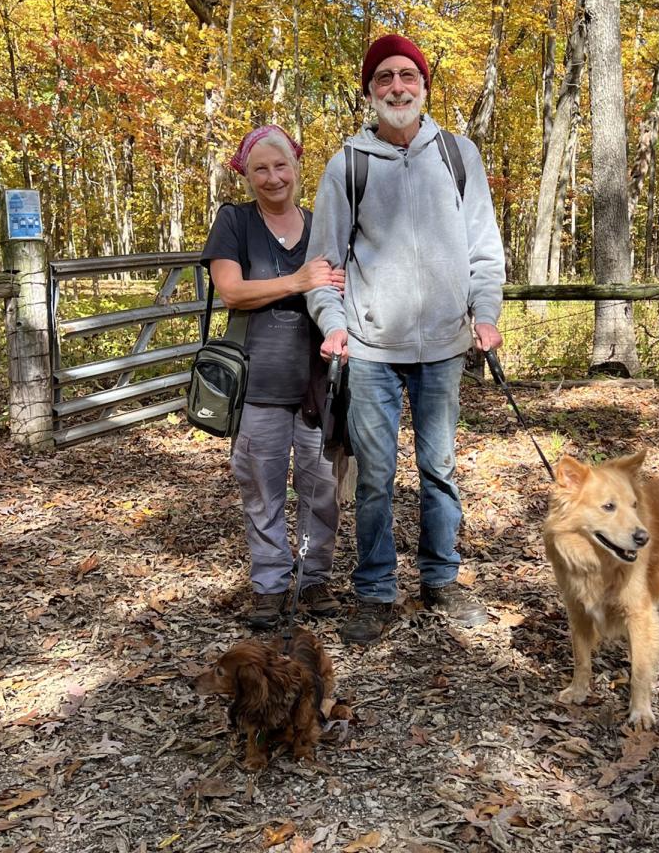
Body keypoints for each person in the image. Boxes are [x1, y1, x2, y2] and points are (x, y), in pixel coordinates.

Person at [306, 34, 505, 645]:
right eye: (384, 78)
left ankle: (440, 582)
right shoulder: (348, 164)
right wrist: (334, 324)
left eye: (407, 77)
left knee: (439, 469)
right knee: (373, 476)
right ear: (369, 92)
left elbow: (483, 249)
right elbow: (324, 263)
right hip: (370, 350)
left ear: (423, 86)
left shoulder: (457, 154)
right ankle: (375, 592)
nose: (397, 87)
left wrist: (486, 311)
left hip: (445, 347)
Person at [202, 124, 346, 630]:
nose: (272, 177)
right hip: (256, 381)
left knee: (321, 487)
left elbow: (342, 283)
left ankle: (314, 578)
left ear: (297, 168)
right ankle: (270, 584)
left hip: (317, 381)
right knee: (262, 488)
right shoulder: (235, 222)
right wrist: (299, 281)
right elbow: (232, 292)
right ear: (246, 175)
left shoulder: (321, 224)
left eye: (280, 165)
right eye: (260, 168)